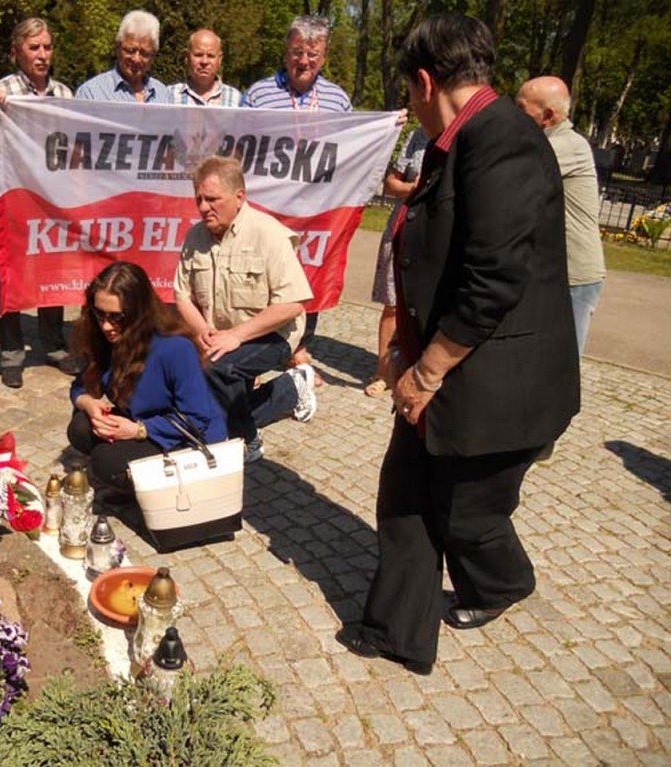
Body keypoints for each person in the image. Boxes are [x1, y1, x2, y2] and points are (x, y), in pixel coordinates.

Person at [335, 14, 580, 676]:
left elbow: (493, 276)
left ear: (423, 80)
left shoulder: (502, 139)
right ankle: (397, 629)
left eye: (407, 92)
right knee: (407, 491)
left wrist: (427, 372)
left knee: (467, 514)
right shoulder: (462, 139)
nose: (408, 104)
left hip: (492, 385)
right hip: (445, 369)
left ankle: (501, 582)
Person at [174, 156, 317, 464]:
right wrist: (203, 332)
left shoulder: (269, 234)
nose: (202, 207)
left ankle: (247, 439)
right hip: (222, 338)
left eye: (212, 199)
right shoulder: (195, 237)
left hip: (273, 334)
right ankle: (292, 388)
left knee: (217, 370)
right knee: (191, 386)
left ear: (240, 197)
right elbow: (182, 295)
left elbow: (293, 303)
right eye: (198, 199)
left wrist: (235, 337)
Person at [242, 15, 353, 380]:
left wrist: (386, 129)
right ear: (286, 51)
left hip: (314, 209)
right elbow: (236, 142)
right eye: (297, 52)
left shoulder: (337, 99)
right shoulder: (258, 94)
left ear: (323, 56)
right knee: (259, 275)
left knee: (309, 275)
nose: (303, 60)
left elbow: (353, 147)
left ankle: (300, 348)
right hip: (265, 205)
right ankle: (250, 352)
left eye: (312, 53)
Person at [0, 18, 79, 389]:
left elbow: (76, 152)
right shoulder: (0, 93)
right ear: (17, 51)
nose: (43, 55)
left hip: (53, 205)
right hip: (12, 203)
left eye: (47, 47)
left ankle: (53, 344)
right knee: (8, 277)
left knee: (54, 274)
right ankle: (11, 352)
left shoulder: (65, 95)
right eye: (34, 48)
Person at [67, 261, 227, 496]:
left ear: (138, 313)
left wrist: (138, 431)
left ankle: (150, 487)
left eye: (116, 317)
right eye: (99, 314)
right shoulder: (105, 339)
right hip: (142, 420)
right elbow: (80, 387)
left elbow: (196, 418)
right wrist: (89, 403)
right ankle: (136, 478)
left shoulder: (175, 348)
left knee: (107, 462)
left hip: (186, 436)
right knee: (81, 426)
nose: (106, 326)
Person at [516, 76, 606, 356]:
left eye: (521, 109)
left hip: (574, 274)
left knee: (561, 362)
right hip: (551, 270)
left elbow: (513, 176)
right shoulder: (545, 142)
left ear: (548, 115)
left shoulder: (566, 145)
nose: (514, 115)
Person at [365, 127, 429, 397]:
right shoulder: (418, 135)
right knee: (392, 303)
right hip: (404, 221)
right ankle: (384, 372)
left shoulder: (468, 132)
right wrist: (413, 188)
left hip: (438, 227)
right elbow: (391, 183)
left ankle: (423, 371)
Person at [75, 10, 172, 104]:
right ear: (118, 47)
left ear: (153, 55)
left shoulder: (163, 95)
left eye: (144, 53)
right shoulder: (91, 94)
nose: (136, 59)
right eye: (130, 51)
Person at [170, 29, 242, 107]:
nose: (204, 61)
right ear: (187, 57)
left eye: (211, 56)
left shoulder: (236, 99)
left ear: (219, 59)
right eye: (198, 55)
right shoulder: (170, 96)